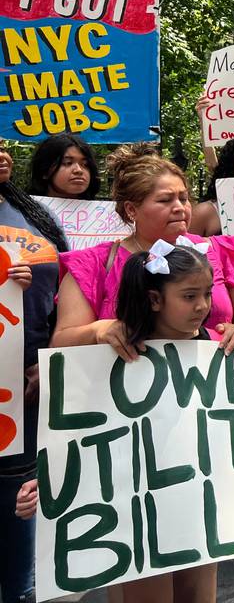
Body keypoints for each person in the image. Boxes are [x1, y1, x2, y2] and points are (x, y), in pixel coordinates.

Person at [17, 243, 234, 603]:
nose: (203, 306)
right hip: (137, 527)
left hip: (200, 516)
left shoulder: (222, 350)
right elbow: (87, 435)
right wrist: (52, 485)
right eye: (189, 295)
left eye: (208, 293)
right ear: (154, 299)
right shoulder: (114, 358)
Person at [52, 144, 234, 357]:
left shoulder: (220, 251)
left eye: (183, 199)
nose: (180, 207)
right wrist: (97, 331)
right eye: (165, 200)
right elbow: (60, 342)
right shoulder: (92, 264)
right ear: (131, 209)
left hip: (211, 385)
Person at [0, 141, 67, 603]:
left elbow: (68, 293)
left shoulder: (34, 214)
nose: (2, 154)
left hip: (25, 393)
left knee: (21, 506)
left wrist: (50, 363)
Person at [28, 133, 101, 200]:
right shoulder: (22, 211)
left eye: (85, 164)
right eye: (68, 163)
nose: (79, 170)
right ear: (45, 171)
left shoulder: (103, 212)